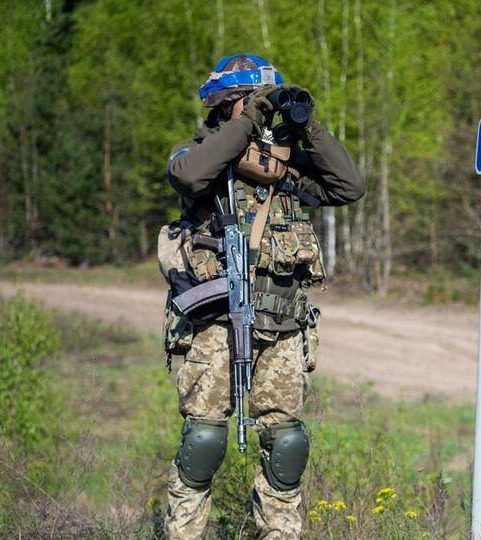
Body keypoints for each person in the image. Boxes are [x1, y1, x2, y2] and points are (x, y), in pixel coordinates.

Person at [160, 54, 364, 539]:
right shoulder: (198, 155)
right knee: (204, 442)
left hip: (284, 328)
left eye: (263, 106)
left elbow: (349, 186)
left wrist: (307, 124)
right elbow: (190, 178)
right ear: (225, 106)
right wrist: (249, 115)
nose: (263, 116)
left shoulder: (285, 167)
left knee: (287, 445)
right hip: (214, 325)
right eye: (248, 104)